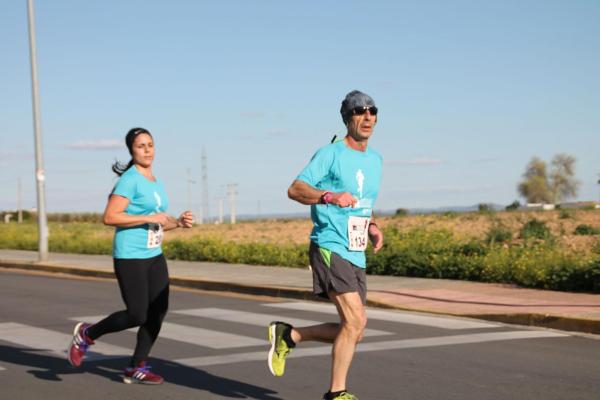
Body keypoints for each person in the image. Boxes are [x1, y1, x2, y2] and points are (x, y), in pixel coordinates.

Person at [268, 90, 384, 400]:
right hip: (329, 245)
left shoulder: (375, 159)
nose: (368, 116)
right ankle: (337, 393)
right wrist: (328, 196)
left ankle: (290, 335)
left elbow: (364, 201)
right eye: (360, 111)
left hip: (355, 249)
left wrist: (372, 225)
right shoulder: (330, 153)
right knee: (355, 320)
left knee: (355, 328)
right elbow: (295, 189)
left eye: (372, 111)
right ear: (348, 118)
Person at [67, 127, 194, 384]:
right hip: (130, 256)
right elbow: (110, 217)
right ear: (131, 151)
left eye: (150, 145)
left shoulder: (155, 181)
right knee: (137, 314)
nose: (147, 150)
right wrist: (148, 217)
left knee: (158, 312)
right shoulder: (129, 179)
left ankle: (137, 366)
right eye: (141, 146)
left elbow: (158, 221)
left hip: (154, 254)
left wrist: (177, 222)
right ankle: (88, 334)